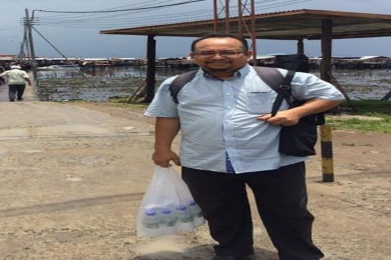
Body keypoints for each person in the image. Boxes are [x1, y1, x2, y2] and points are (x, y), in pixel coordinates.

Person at [145, 33, 345, 260]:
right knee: (221, 214)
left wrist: (295, 112)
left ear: (248, 55)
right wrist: (162, 148)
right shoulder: (178, 84)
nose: (217, 57)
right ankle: (232, 253)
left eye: (228, 52)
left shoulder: (277, 77)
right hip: (205, 162)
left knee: (289, 214)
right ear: (193, 56)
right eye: (207, 53)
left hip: (273, 161)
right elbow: (167, 116)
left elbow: (331, 94)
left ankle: (299, 254)